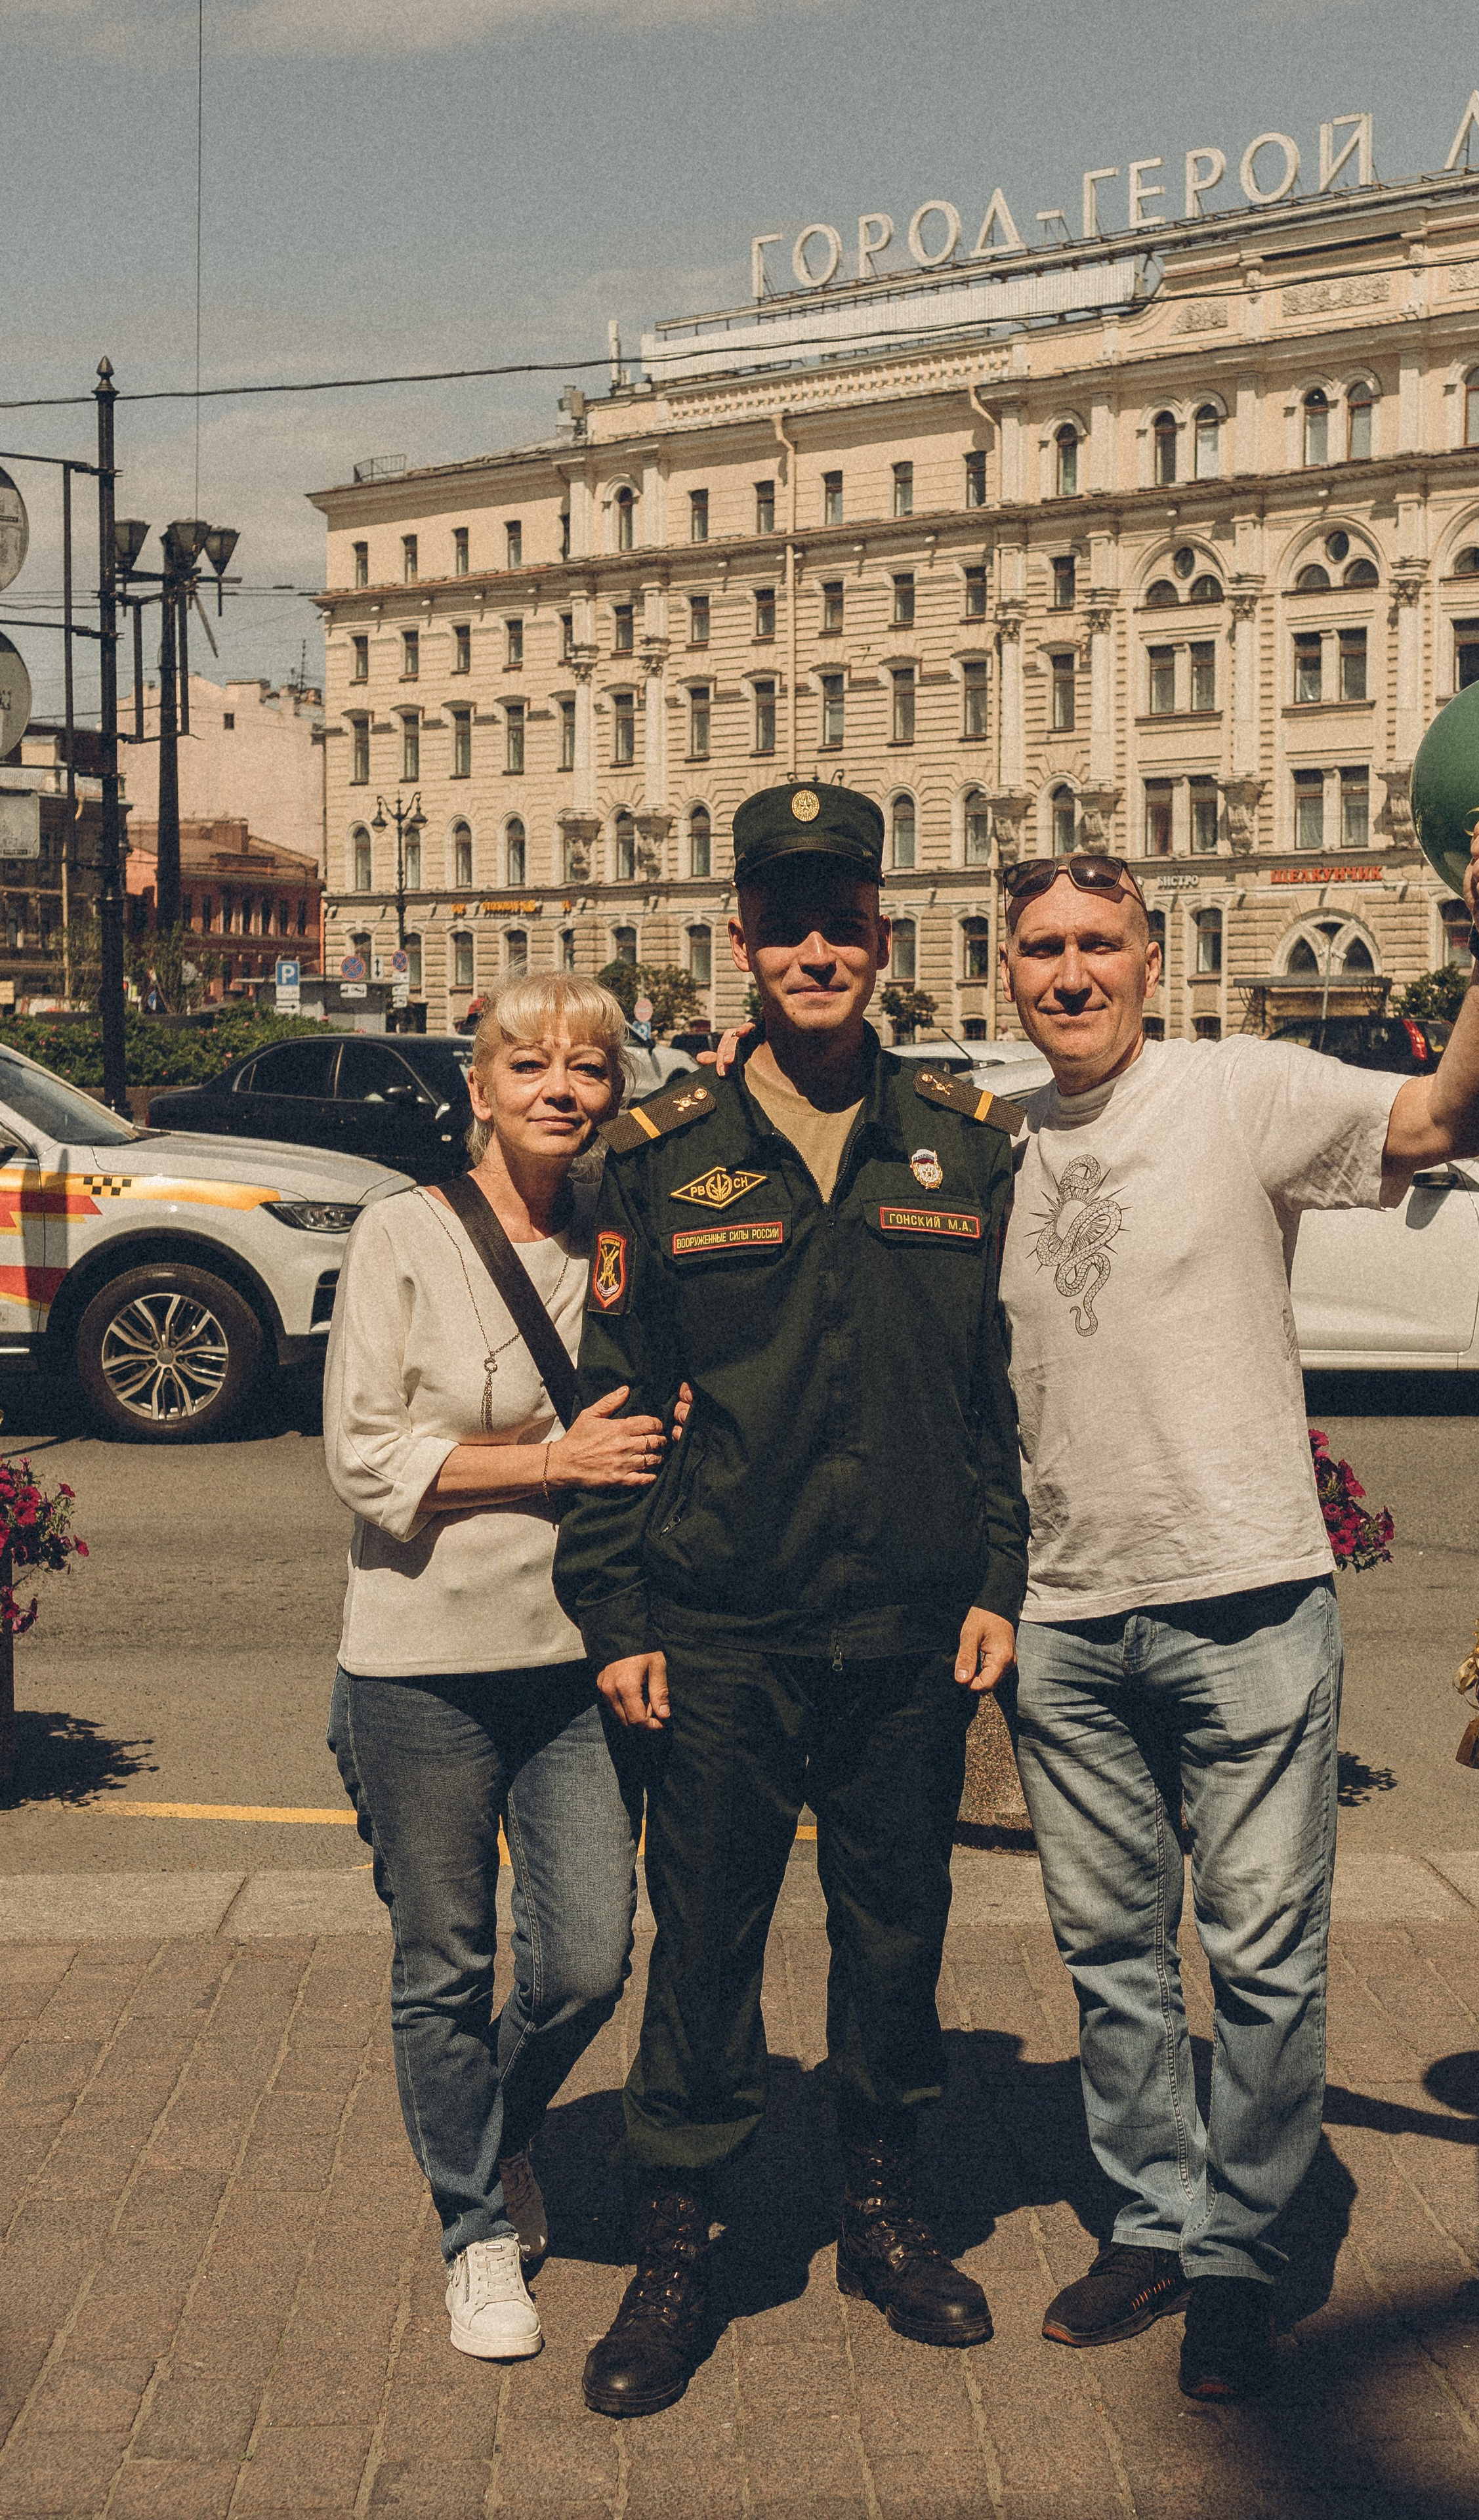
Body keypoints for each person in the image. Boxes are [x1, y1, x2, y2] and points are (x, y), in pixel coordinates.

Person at [995, 806, 1479, 2401]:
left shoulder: (1237, 1090)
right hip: (1064, 1614)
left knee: (1264, 1954)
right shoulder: (997, 1136)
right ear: (1007, 970)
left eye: (1100, 944)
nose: (1071, 972)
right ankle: (1153, 2221)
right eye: (1042, 949)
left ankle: (1240, 2248)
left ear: (1151, 962)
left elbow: (1445, 1117)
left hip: (1240, 1592)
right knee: (1106, 1950)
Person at [554, 780, 1030, 2418]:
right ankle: (679, 2238)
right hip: (721, 1631)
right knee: (706, 1944)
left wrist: (996, 1580)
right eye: (785, 921)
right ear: (737, 941)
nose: (815, 948)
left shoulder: (964, 1143)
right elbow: (616, 1412)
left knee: (895, 1936)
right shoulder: (662, 1157)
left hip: (906, 1630)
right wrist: (615, 1622)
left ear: (882, 938)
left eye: (843, 919)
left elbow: (994, 1395)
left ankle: (881, 2211)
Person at [325, 972, 678, 2362]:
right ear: (477, 1089)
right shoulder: (401, 1236)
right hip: (420, 1655)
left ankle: (496, 2127)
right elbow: (364, 1459)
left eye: (586, 1067)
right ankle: (474, 2227)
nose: (559, 1088)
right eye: (527, 1064)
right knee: (443, 1959)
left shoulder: (619, 1241)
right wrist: (554, 1460)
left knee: (588, 1957)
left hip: (576, 1651)